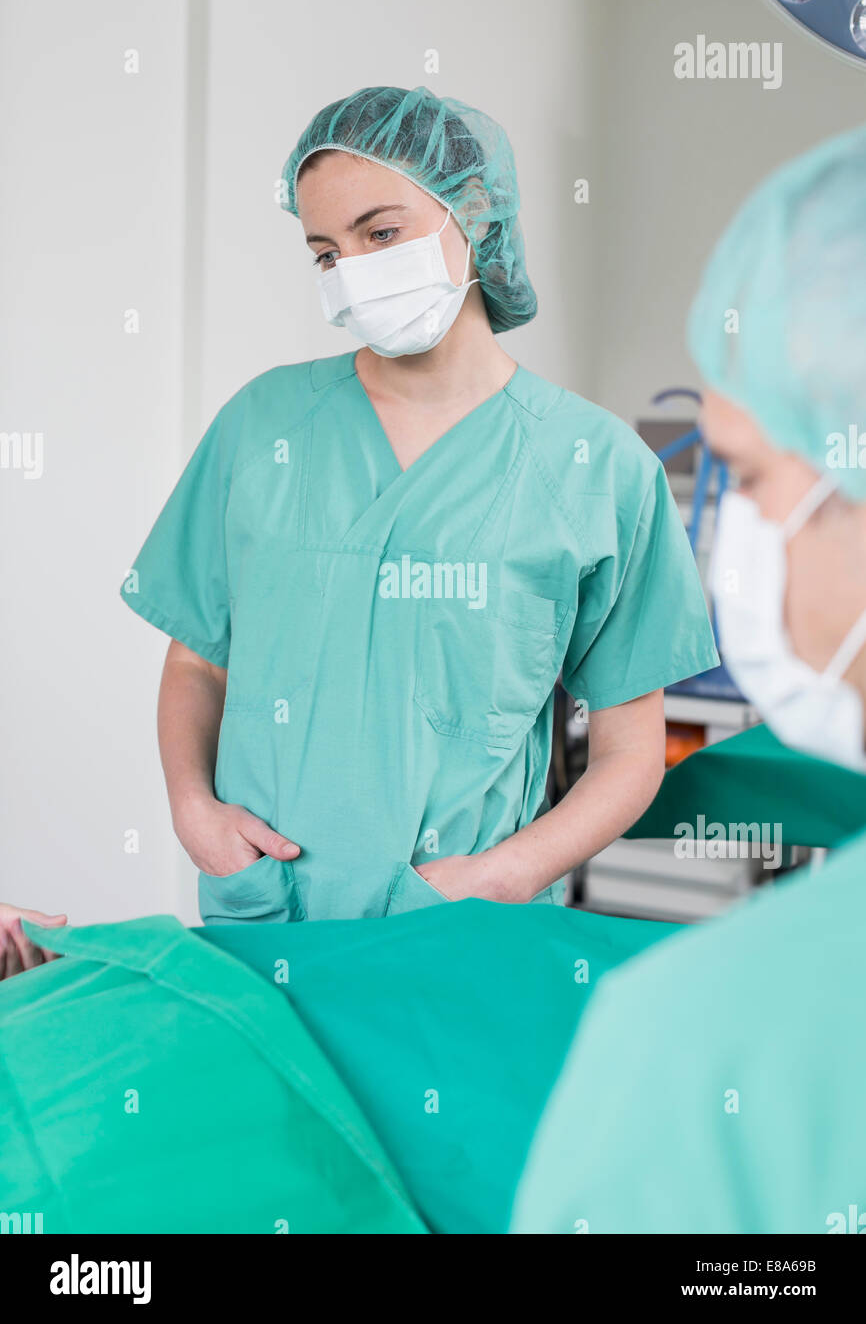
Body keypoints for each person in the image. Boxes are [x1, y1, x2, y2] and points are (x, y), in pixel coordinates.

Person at [120, 85, 717, 925]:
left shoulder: (594, 465)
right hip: (264, 916)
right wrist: (194, 812)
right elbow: (195, 663)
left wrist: (510, 872)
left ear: (474, 211)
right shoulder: (264, 428)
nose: (354, 270)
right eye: (326, 251)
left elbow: (629, 750)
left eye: (382, 233)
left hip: (462, 928)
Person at [511, 124, 866, 1235]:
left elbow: (627, 738)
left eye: (753, 480)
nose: (737, 548)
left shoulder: (715, 1044)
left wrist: (512, 864)